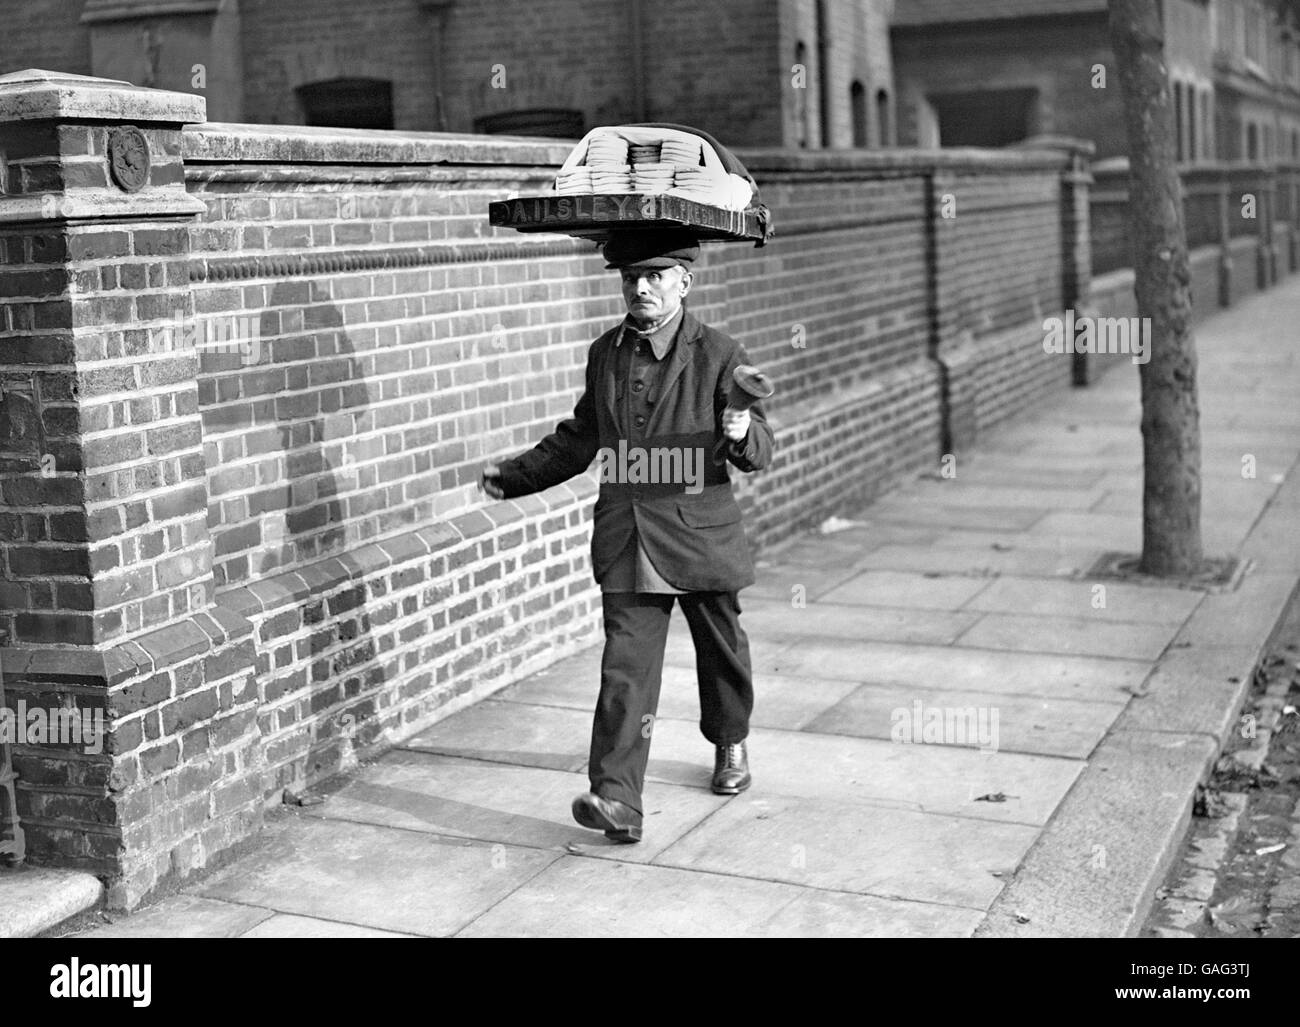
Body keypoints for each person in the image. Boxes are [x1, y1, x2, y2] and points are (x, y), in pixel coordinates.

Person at [479, 228, 774, 843]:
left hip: (701, 533)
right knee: (625, 670)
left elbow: (760, 453)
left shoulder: (719, 352)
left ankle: (729, 740)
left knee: (722, 653)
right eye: (630, 277)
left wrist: (742, 429)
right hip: (629, 537)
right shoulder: (605, 353)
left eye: (655, 276)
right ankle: (616, 800)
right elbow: (581, 438)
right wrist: (513, 478)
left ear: (684, 282)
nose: (640, 287)